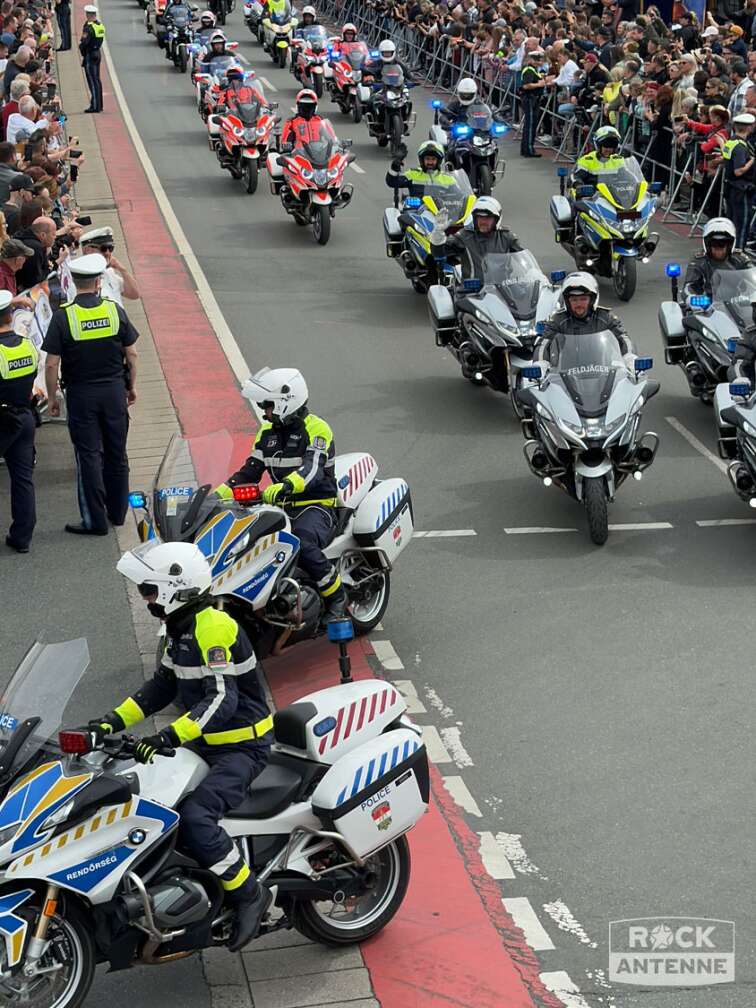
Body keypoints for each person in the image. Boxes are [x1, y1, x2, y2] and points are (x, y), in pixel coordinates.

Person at [85, 540, 273, 951]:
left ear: (176, 586)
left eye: (149, 590)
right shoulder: (178, 629)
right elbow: (161, 688)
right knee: (151, 807)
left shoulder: (214, 627)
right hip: (205, 746)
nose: (146, 598)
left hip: (242, 747)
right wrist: (109, 722)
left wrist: (169, 736)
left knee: (196, 818)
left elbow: (223, 699)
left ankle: (250, 894)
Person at [215, 367, 347, 618]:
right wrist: (217, 495)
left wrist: (285, 486)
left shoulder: (317, 429)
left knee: (302, 543)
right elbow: (249, 471)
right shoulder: (267, 434)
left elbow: (312, 470)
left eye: (268, 405)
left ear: (286, 401)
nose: (265, 411)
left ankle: (337, 597)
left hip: (316, 505)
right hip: (280, 506)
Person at [42, 253, 139, 535]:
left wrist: (51, 399)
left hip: (81, 394)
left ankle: (95, 521)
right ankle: (119, 514)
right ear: (98, 282)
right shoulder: (114, 311)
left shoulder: (64, 317)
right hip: (113, 391)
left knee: (88, 456)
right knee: (117, 453)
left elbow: (51, 363)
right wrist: (131, 387)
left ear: (73, 282)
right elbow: (131, 353)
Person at [0, 287, 37, 552]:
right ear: (11, 316)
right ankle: (22, 537)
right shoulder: (27, 345)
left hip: (2, 420)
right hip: (24, 417)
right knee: (23, 479)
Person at [534, 272, 633, 363]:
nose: (579, 304)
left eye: (583, 299)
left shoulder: (605, 317)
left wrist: (629, 358)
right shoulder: (558, 320)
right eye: (574, 300)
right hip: (564, 374)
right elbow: (544, 344)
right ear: (567, 302)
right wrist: (541, 364)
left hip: (604, 372)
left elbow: (623, 339)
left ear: (592, 300)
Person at [430, 195, 523, 279]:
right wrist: (438, 235)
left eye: (487, 218)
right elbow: (438, 254)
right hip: (471, 293)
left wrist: (532, 273)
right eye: (480, 218)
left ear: (496, 220)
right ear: (474, 219)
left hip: (502, 291)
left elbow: (523, 259)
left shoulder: (506, 237)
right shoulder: (464, 237)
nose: (483, 222)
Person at [682, 217, 755, 299]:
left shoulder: (740, 259)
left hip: (737, 304)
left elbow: (753, 278)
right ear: (707, 244)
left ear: (730, 244)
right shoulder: (699, 261)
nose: (718, 248)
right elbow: (689, 286)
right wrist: (691, 298)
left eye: (722, 243)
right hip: (707, 306)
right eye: (714, 243)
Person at [79, 225, 139, 304]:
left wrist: (123, 270)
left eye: (110, 248)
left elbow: (134, 294)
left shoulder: (109, 273)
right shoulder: (80, 276)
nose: (108, 253)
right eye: (103, 248)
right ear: (87, 250)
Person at [721, 113, 756, 249]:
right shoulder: (741, 147)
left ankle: (729, 249)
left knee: (732, 222)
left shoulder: (731, 142)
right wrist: (751, 161)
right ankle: (738, 252)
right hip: (741, 188)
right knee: (742, 223)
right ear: (748, 128)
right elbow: (738, 170)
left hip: (730, 187)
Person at [386, 139, 456, 195]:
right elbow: (392, 182)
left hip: (440, 212)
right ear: (421, 160)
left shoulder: (447, 178)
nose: (430, 162)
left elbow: (460, 196)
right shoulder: (413, 174)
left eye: (433, 159)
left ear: (439, 161)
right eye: (427, 159)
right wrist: (395, 166)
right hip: (415, 212)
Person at [14, 214, 55, 288]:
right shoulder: (36, 248)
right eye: (53, 234)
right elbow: (34, 280)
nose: (55, 237)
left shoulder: (22, 236)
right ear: (43, 235)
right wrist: (49, 269)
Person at [520, 47, 545, 158]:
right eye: (536, 60)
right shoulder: (528, 70)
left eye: (539, 60)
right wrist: (539, 85)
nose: (538, 62)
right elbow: (526, 85)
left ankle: (527, 148)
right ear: (531, 60)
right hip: (530, 98)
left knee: (532, 124)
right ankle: (528, 149)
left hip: (534, 99)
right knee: (530, 125)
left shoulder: (534, 70)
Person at [79, 3, 105, 113]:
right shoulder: (100, 26)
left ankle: (95, 106)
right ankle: (99, 104)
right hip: (97, 53)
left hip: (90, 55)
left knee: (92, 81)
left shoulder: (88, 28)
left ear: (88, 15)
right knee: (97, 80)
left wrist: (82, 50)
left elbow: (84, 42)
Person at [0, 237, 34, 304]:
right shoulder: (1, 275)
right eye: (25, 257)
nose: (25, 260)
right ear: (19, 260)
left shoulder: (8, 271)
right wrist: (18, 300)